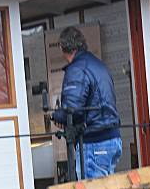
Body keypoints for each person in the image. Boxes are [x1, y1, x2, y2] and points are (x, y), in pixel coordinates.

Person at [52, 26, 122, 179]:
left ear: (62, 47)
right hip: (112, 138)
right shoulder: (99, 65)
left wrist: (57, 115)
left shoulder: (77, 69)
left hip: (94, 141)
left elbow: (73, 109)